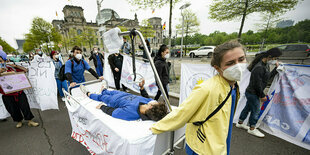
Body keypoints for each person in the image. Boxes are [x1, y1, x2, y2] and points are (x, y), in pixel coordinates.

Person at [150, 40, 248, 155]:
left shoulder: (234, 86)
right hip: (202, 148)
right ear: (217, 68)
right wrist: (156, 128)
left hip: (219, 142)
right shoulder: (207, 89)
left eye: (241, 59)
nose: (237, 66)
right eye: (230, 63)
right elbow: (183, 112)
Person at [236, 47, 282, 138]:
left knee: (247, 108)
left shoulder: (265, 65)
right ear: (270, 56)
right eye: (275, 58)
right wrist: (262, 95)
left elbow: (267, 77)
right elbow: (257, 84)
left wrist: (276, 69)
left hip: (252, 92)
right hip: (253, 93)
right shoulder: (259, 67)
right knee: (256, 110)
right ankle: (252, 128)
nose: (276, 60)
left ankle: (240, 123)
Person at [79, 79, 168, 121]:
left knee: (101, 97)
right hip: (123, 94)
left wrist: (102, 107)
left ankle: (88, 93)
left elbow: (113, 112)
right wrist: (141, 88)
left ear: (150, 107)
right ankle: (104, 90)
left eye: (155, 104)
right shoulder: (147, 102)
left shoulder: (131, 113)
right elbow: (145, 96)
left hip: (113, 100)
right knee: (110, 91)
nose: (154, 102)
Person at [0, 50, 39, 128]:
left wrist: (15, 66)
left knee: (25, 107)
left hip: (19, 93)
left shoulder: (11, 68)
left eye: (1, 61)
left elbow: (25, 70)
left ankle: (30, 121)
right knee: (13, 110)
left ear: (5, 60)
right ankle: (19, 121)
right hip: (7, 95)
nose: (0, 63)